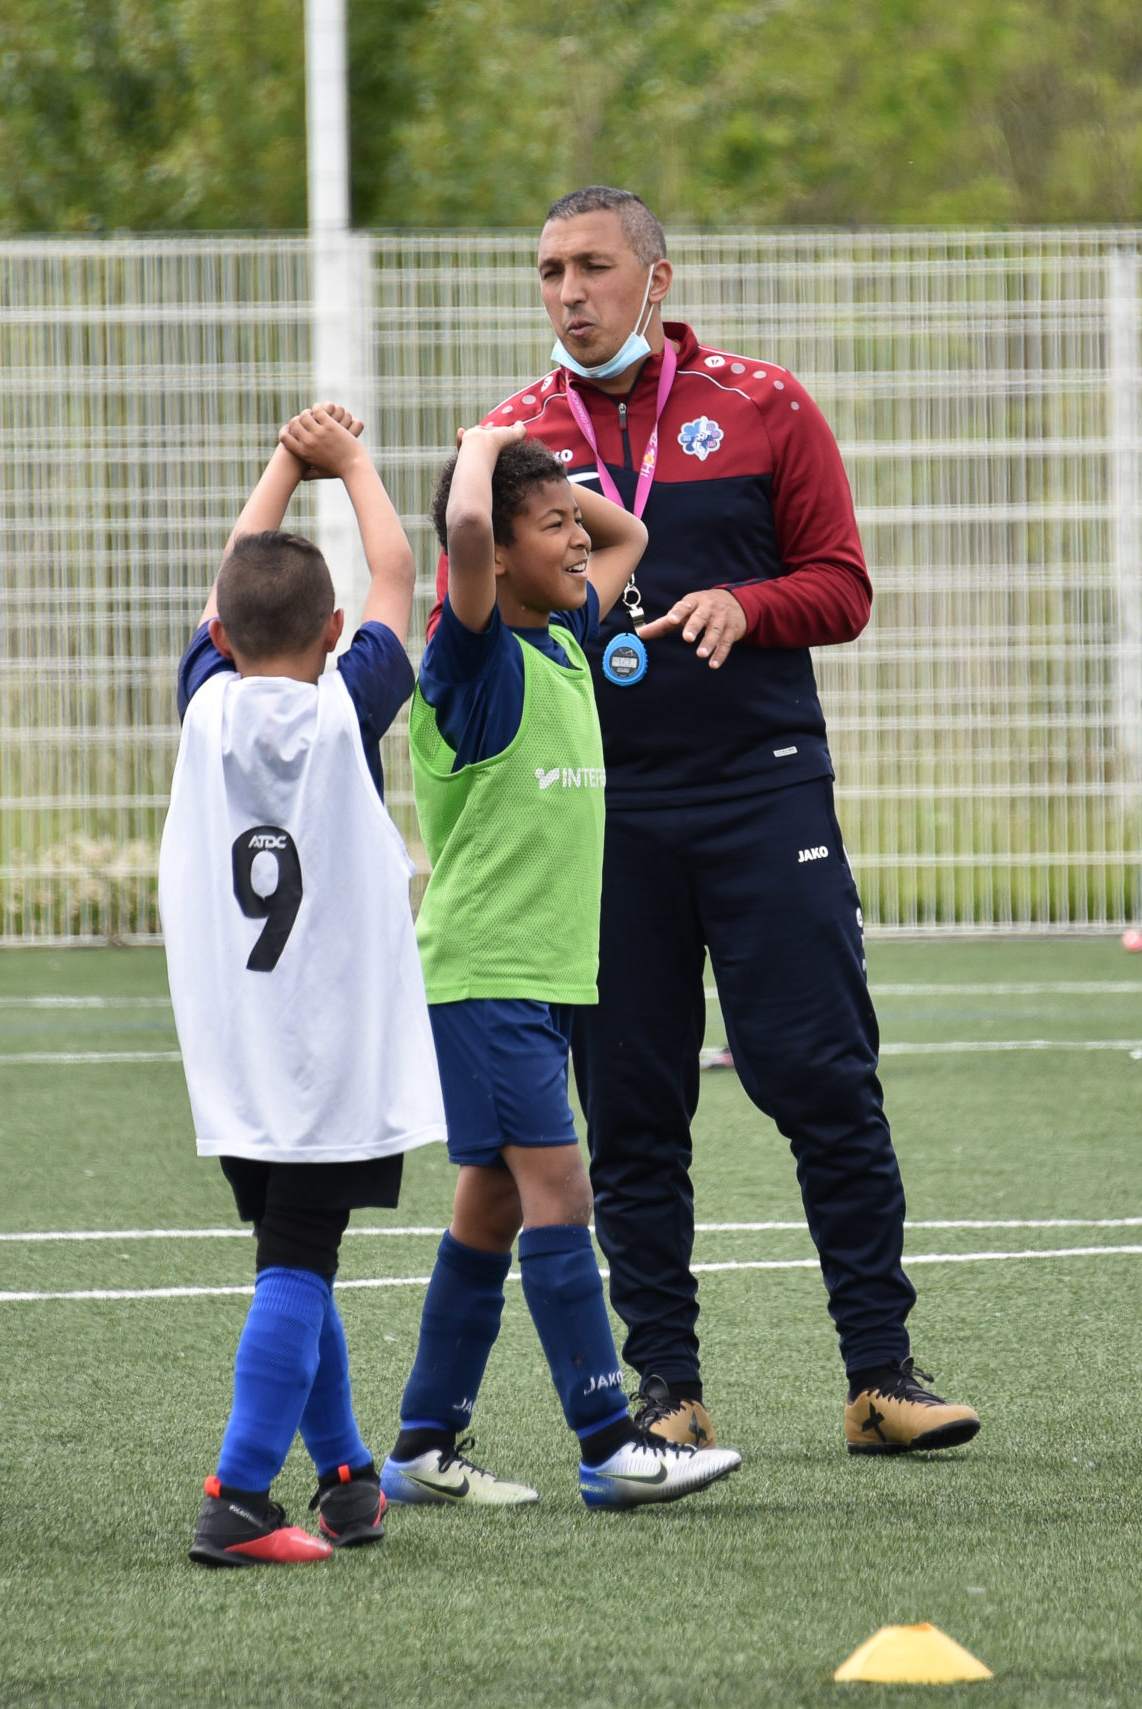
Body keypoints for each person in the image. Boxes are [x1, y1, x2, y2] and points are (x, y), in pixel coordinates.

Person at [454, 185, 982, 1459]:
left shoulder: (764, 404)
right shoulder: (516, 440)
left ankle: (879, 1374)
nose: (567, 293)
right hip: (601, 812)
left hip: (762, 787)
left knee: (824, 1079)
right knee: (631, 1109)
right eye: (547, 271)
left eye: (591, 266)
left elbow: (842, 585)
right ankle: (668, 1387)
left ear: (657, 277)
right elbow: (472, 610)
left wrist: (749, 605)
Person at [383, 424, 742, 1512]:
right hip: (488, 971)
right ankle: (608, 1443)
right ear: (495, 557)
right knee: (561, 1189)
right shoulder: (475, 655)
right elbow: (464, 523)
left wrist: (554, 488)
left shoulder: (564, 635)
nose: (580, 541)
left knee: (490, 1208)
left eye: (572, 522)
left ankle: (421, 1445)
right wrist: (492, 447)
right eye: (552, 527)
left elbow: (632, 534)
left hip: (539, 978)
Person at [163, 404, 444, 1567]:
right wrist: (352, 463)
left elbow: (237, 586)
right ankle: (237, 1493)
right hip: (325, 1050)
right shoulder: (346, 707)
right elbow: (398, 571)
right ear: (334, 630)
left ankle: (344, 1474)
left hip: (236, 1048)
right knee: (296, 1262)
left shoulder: (202, 700)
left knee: (296, 1253)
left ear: (220, 631)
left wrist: (284, 461)